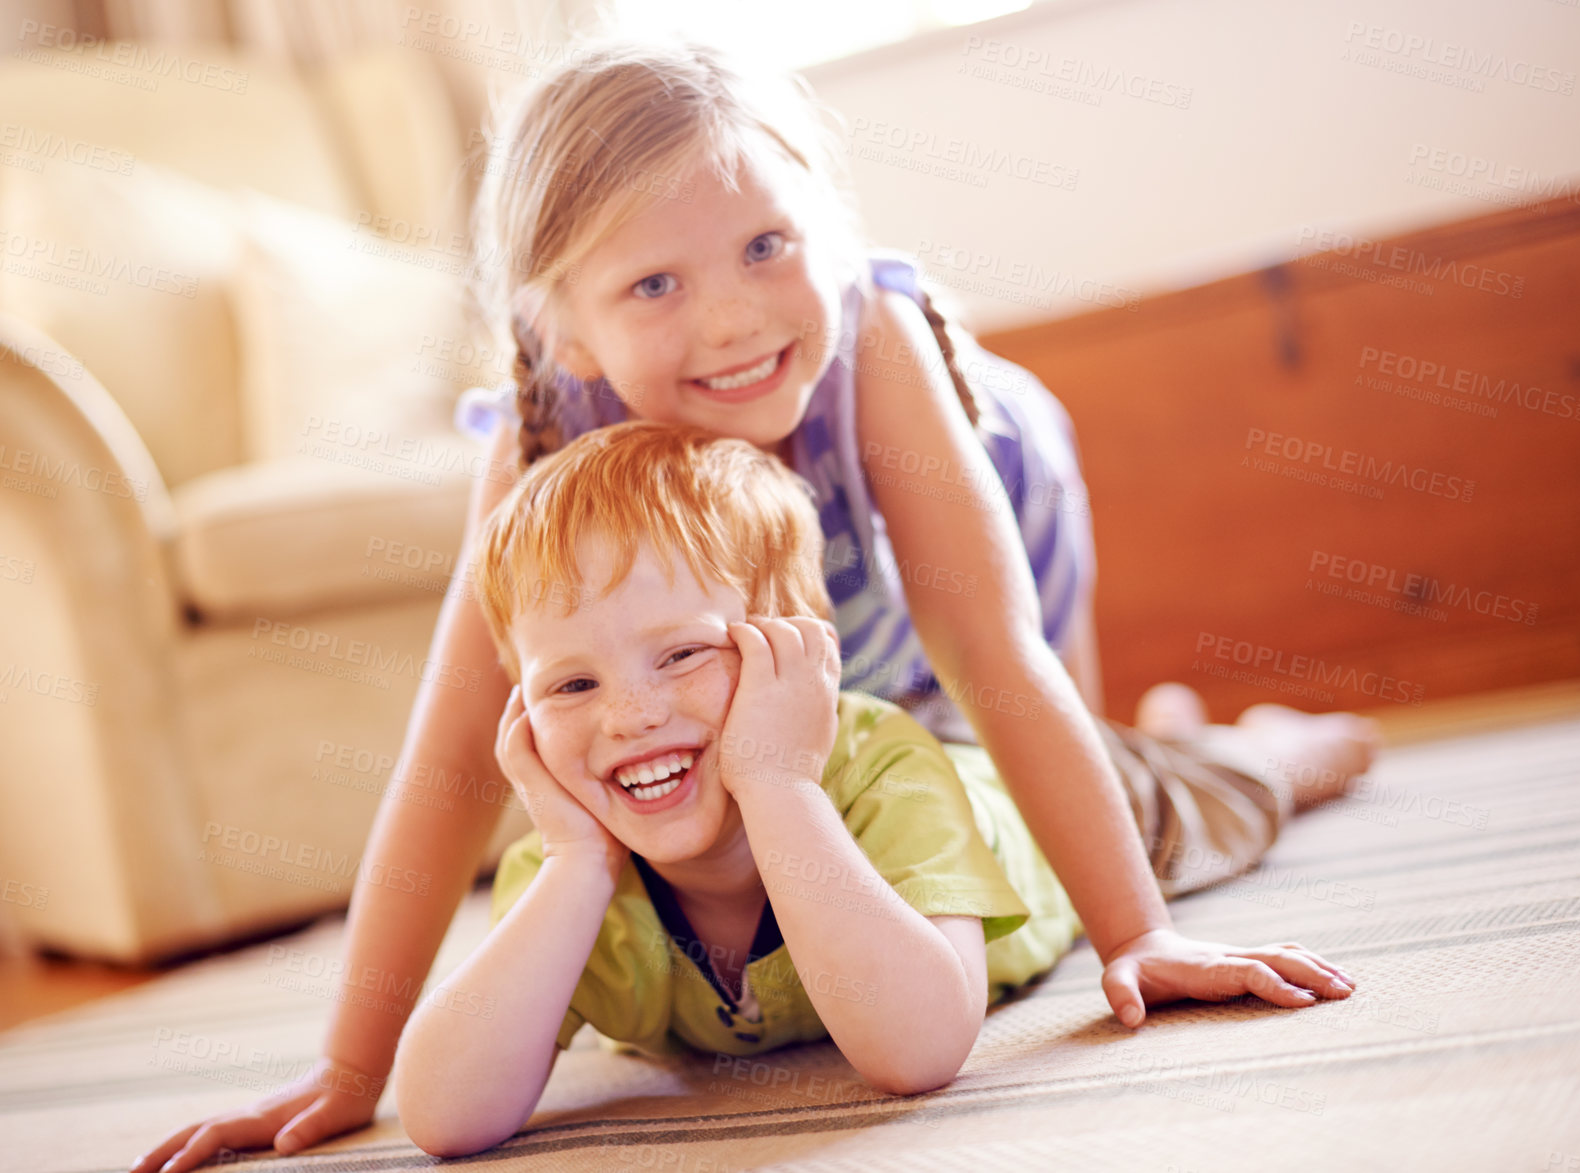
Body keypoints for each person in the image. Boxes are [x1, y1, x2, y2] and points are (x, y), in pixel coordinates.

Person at [133, 29, 1377, 1173]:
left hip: (948, 617)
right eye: (653, 286)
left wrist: (1136, 937)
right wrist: (352, 1067)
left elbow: (991, 651)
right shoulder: (544, 434)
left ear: (825, 227)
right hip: (759, 710)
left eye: (765, 247)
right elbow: (454, 749)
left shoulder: (867, 346)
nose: (731, 318)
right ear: (563, 330)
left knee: (1101, 808)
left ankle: (1262, 749)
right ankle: (1164, 740)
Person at [390, 420, 1359, 1158]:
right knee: (1172, 747)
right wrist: (573, 863)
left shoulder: (887, 773)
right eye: (570, 685)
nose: (629, 716)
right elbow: (441, 1116)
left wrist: (776, 784)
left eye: (681, 653)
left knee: (1248, 787)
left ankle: (1262, 740)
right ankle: (1172, 727)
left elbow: (916, 1049)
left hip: (1055, 798)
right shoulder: (569, 866)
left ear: (796, 658)